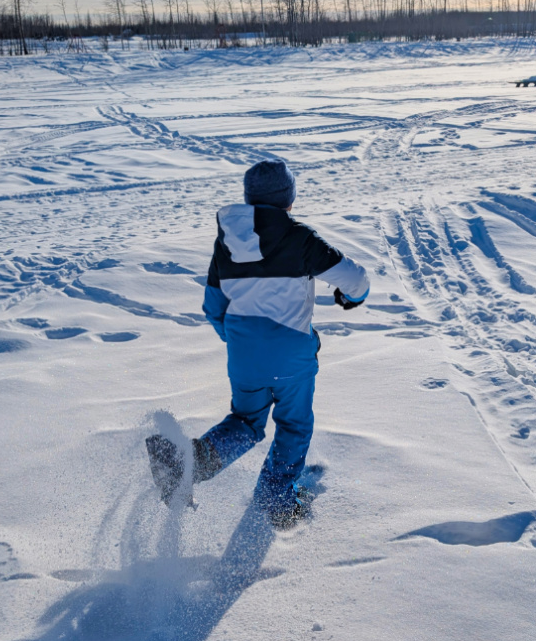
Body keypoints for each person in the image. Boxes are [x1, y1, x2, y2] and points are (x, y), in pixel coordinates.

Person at [147, 159, 370, 528]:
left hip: (244, 356)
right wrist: (352, 298)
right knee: (293, 425)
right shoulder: (300, 238)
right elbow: (356, 280)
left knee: (246, 422)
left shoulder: (227, 246)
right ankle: (277, 500)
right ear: (289, 198)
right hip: (291, 356)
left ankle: (189, 463)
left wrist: (241, 341)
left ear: (250, 198)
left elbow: (213, 306)